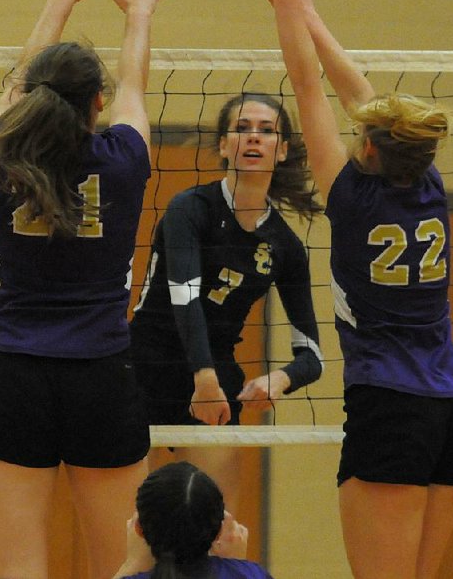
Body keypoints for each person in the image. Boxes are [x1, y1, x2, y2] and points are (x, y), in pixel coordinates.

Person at [246, 0, 453, 579]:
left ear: (371, 146)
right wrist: (304, 7)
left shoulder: (353, 196)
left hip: (392, 413)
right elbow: (360, 96)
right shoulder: (429, 185)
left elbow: (309, 87)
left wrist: (291, 7)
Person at [0, 0, 174, 579]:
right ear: (97, 103)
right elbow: (135, 90)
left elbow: (16, 88)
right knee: (122, 567)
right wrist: (138, 15)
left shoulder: (2, 154)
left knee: (16, 570)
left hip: (15, 378)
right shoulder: (122, 161)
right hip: (101, 377)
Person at [130, 91, 323, 511]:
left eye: (266, 131)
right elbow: (185, 297)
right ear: (223, 145)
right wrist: (204, 378)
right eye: (242, 129)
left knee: (217, 526)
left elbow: (313, 355)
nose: (253, 138)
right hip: (146, 368)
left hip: (217, 378)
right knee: (137, 524)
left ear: (282, 149)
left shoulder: (285, 246)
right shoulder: (190, 209)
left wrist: (281, 379)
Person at [112, 461, 274, 579]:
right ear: (218, 532)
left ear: (139, 528)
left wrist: (131, 564)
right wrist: (237, 566)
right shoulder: (254, 575)